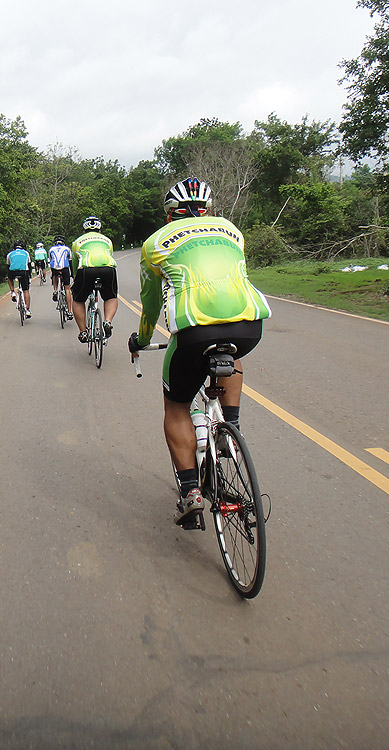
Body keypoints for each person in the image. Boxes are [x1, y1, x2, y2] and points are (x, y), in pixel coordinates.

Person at [128, 178, 271, 527]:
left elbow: (150, 304)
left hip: (194, 332)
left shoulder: (155, 243)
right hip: (249, 325)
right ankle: (231, 429)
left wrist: (142, 339)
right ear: (207, 211)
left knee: (177, 407)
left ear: (169, 215)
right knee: (231, 353)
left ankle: (190, 491)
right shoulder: (231, 231)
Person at [70, 217, 118, 343]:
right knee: (111, 297)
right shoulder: (108, 240)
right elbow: (109, 256)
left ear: (84, 230)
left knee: (78, 300)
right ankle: (107, 322)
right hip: (108, 269)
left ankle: (83, 332)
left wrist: (75, 280)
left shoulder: (77, 242)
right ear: (100, 230)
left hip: (87, 269)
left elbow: (75, 264)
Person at [48, 234, 73, 319]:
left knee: (54, 275)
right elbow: (70, 262)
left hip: (55, 268)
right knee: (67, 289)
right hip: (65, 268)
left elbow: (51, 260)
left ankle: (55, 290)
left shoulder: (51, 249)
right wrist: (72, 274)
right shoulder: (67, 249)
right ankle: (69, 311)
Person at [7, 241, 32, 318]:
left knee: (9, 278)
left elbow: (8, 266)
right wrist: (29, 276)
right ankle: (27, 310)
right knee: (26, 290)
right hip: (24, 272)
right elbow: (29, 265)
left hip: (13, 272)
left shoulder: (10, 254)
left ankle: (12, 292)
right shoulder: (26, 253)